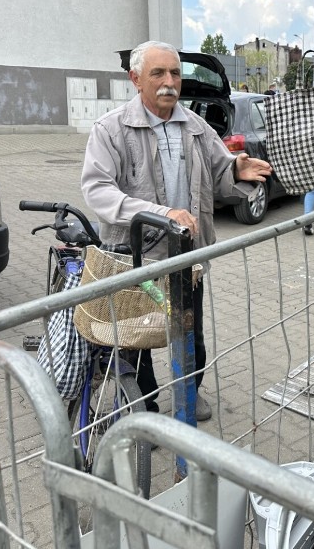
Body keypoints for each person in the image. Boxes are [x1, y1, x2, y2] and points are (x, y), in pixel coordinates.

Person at [82, 40, 272, 422]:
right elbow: (98, 191)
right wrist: (159, 213)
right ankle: (145, 405)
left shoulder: (195, 126)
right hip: (135, 257)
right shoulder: (110, 129)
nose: (170, 81)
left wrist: (236, 169)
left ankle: (189, 390)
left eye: (174, 73)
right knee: (137, 338)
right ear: (136, 79)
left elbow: (219, 173)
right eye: (158, 73)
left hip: (188, 256)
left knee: (191, 333)